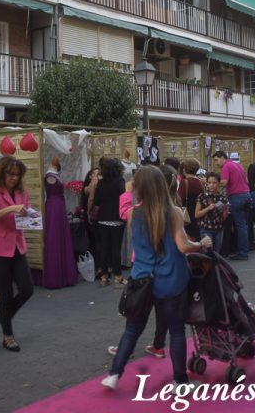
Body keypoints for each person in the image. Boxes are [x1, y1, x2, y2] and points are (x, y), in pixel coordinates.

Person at [101, 165, 212, 391]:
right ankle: (179, 380)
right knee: (176, 330)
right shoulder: (173, 212)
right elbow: (183, 246)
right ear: (162, 184)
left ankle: (114, 374)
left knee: (132, 328)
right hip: (171, 278)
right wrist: (201, 244)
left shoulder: (134, 213)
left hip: (141, 278)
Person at [0, 156, 35, 351]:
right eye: (10, 174)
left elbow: (24, 214)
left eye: (17, 175)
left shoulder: (23, 192)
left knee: (27, 288)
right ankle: (8, 335)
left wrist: (32, 217)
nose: (14, 178)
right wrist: (11, 209)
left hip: (17, 245)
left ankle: (4, 317)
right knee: (5, 292)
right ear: (2, 173)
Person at [42, 156, 78, 289]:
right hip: (53, 207)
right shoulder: (49, 176)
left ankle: (64, 274)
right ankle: (54, 276)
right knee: (53, 238)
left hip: (59, 207)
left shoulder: (54, 174)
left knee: (61, 238)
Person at [213, 150, 251, 261]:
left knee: (240, 226)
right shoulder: (237, 165)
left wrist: (211, 184)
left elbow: (224, 182)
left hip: (237, 196)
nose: (216, 163)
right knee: (243, 225)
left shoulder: (226, 166)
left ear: (221, 157)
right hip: (246, 195)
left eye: (216, 160)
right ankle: (244, 250)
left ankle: (243, 253)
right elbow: (247, 181)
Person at [94, 158, 126, 286]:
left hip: (102, 218)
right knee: (115, 248)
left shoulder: (100, 183)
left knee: (104, 247)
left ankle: (104, 276)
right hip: (117, 218)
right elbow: (123, 198)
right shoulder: (120, 181)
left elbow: (96, 202)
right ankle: (118, 276)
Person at [195, 171, 227, 252]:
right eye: (209, 182)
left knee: (217, 253)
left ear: (219, 184)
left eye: (214, 183)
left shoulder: (222, 198)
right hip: (206, 228)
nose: (211, 185)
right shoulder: (202, 196)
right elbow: (197, 215)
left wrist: (226, 211)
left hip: (218, 229)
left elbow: (223, 217)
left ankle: (216, 265)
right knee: (208, 254)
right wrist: (208, 208)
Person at [177, 158, 203, 241]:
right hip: (198, 213)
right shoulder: (200, 182)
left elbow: (179, 199)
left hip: (187, 215)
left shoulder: (185, 182)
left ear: (184, 169)